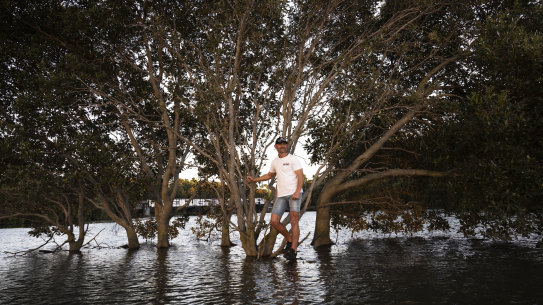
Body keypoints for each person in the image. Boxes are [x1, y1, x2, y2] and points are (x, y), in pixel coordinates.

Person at [246, 137, 304, 261]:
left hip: (294, 193)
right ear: (276, 146)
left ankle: (293, 250)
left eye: (284, 144)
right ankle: (289, 239)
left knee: (294, 221)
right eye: (280, 144)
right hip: (281, 195)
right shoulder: (275, 162)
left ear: (286, 146)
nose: (282, 146)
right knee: (274, 221)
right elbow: (269, 175)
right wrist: (254, 180)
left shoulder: (293, 159)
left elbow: (300, 176)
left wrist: (298, 191)